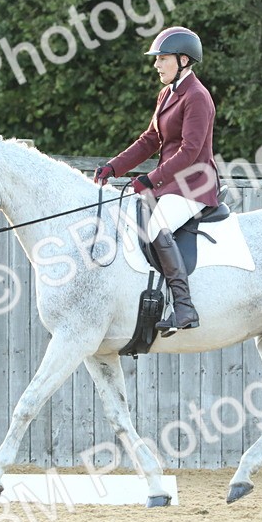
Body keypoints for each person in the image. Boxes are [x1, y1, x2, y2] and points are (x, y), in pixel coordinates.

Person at [94, 26, 220, 335]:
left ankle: (184, 307)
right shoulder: (168, 93)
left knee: (154, 227)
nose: (156, 65)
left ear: (183, 59)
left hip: (194, 184)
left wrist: (149, 180)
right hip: (172, 184)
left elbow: (190, 152)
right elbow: (150, 140)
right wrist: (114, 167)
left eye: (162, 58)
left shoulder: (197, 97)